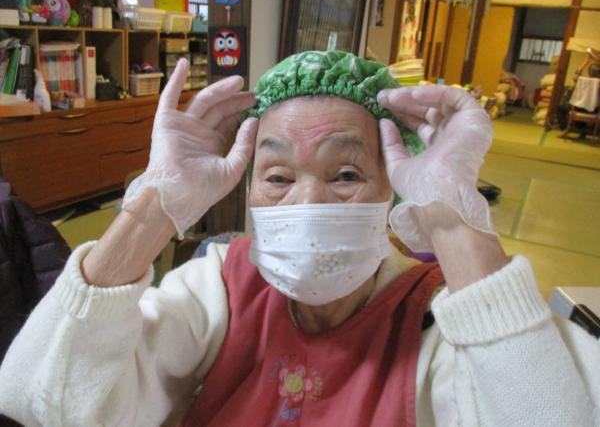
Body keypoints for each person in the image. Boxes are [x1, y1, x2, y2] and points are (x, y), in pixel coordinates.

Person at [0, 51, 598, 427]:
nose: (307, 202)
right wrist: (153, 207)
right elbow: (41, 398)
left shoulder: (436, 324)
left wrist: (451, 218)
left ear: (393, 189)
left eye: (346, 175)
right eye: (279, 177)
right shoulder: (220, 287)